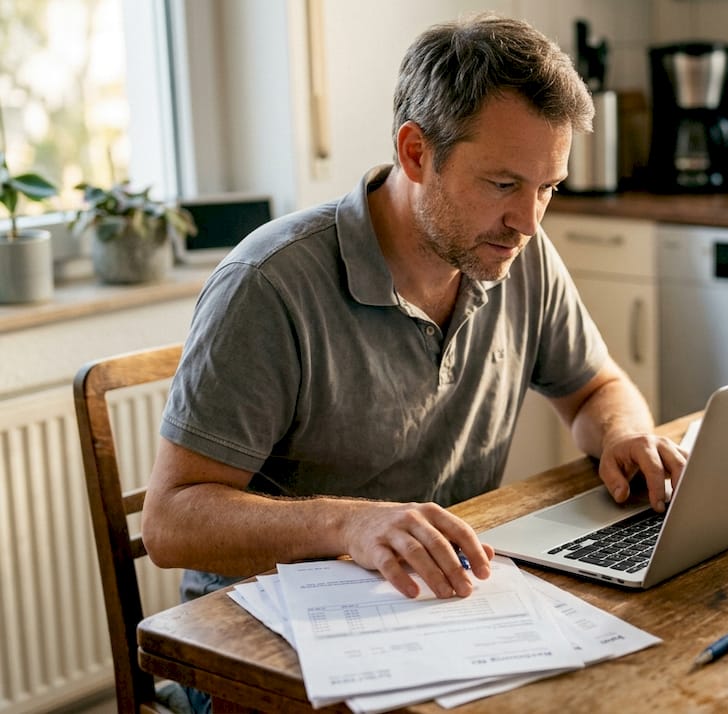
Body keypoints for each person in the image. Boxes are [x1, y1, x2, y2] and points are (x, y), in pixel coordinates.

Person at [141, 15, 687, 609]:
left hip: (436, 600)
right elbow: (170, 523)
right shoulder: (268, 285)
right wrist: (347, 525)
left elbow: (594, 388)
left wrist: (625, 433)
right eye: (503, 184)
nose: (529, 222)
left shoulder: (513, 252)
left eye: (547, 187)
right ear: (415, 152)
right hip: (259, 630)